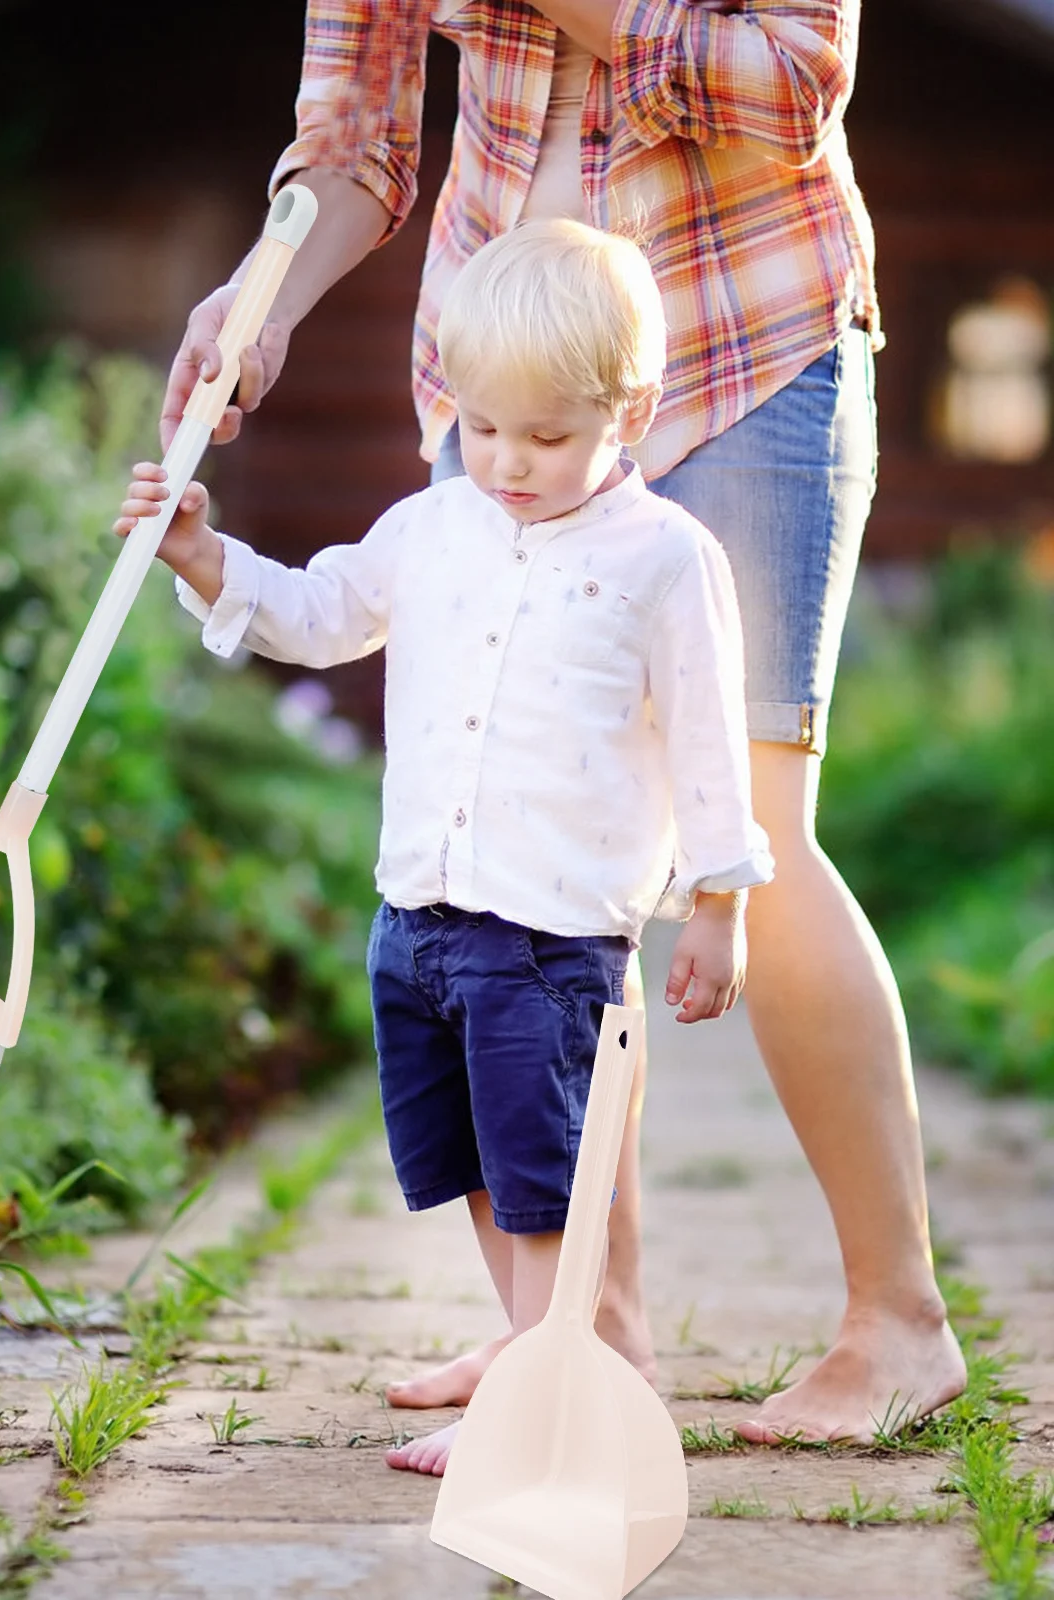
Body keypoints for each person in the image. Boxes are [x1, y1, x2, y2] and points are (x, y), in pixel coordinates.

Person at [157, 0, 966, 1451]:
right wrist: (262, 295)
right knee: (548, 880)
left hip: (736, 341)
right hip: (506, 372)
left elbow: (797, 84)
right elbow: (355, 128)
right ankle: (585, 1342)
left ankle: (896, 1322)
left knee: (760, 831)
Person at [121, 218, 776, 1476]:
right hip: (418, 916)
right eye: (483, 430)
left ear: (627, 410)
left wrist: (717, 900)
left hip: (547, 938)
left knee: (541, 1178)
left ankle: (540, 1407)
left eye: (548, 437)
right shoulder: (433, 528)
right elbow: (317, 614)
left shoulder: (662, 562)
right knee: (467, 1162)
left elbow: (703, 736)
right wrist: (205, 559)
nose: (511, 463)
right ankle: (544, 1355)